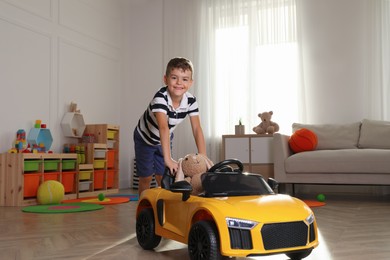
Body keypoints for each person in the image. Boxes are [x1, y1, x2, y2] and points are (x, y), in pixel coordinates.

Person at [134, 57, 206, 195]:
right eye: (174, 78)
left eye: (185, 79)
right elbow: (163, 127)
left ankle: (165, 205)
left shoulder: (191, 101)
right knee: (146, 177)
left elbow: (197, 129)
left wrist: (203, 156)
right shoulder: (160, 98)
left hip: (164, 139)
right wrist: (168, 159)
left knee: (164, 176)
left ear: (191, 83)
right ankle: (142, 206)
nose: (179, 83)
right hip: (145, 139)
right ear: (165, 79)